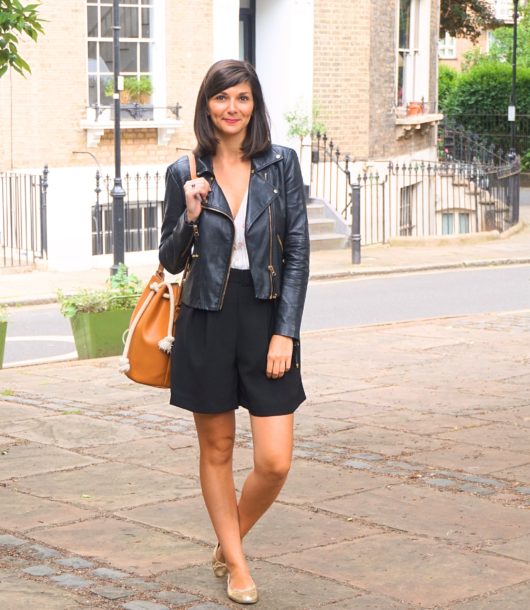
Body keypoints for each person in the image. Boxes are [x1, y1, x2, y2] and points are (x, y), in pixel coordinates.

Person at [159, 59, 309, 605]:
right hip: (206, 316)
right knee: (218, 448)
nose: (232, 108)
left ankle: (229, 542)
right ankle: (238, 565)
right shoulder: (184, 171)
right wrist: (190, 214)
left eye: (242, 98)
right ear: (207, 105)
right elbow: (170, 259)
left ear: (254, 105)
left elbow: (297, 254)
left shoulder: (281, 164)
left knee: (274, 460)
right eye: (222, 98)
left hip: (266, 316)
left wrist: (285, 332)